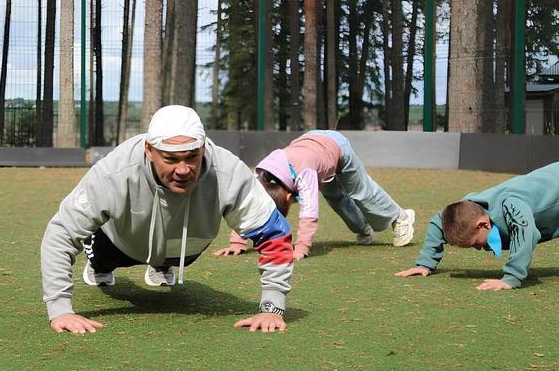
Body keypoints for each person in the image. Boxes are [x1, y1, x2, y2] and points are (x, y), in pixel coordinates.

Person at [41, 105, 294, 334]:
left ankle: (161, 265)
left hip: (184, 248)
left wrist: (272, 307)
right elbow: (61, 233)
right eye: (171, 159)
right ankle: (100, 266)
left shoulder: (229, 172)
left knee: (183, 246)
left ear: (203, 147)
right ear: (149, 150)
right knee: (104, 255)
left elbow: (274, 234)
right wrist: (61, 309)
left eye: (192, 157)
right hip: (120, 242)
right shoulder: (113, 172)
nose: (183, 169)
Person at [213, 130, 415, 261]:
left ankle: (401, 218)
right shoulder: (260, 173)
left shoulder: (304, 173)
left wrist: (300, 248)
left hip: (335, 146)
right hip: (309, 146)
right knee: (336, 199)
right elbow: (247, 204)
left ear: (288, 197)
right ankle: (364, 229)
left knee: (359, 191)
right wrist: (237, 242)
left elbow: (309, 212)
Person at [395, 162, 559, 290]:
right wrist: (425, 263)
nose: (478, 249)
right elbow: (439, 222)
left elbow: (526, 232)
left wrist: (512, 278)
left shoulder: (512, 206)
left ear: (483, 225)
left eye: (475, 244)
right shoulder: (469, 208)